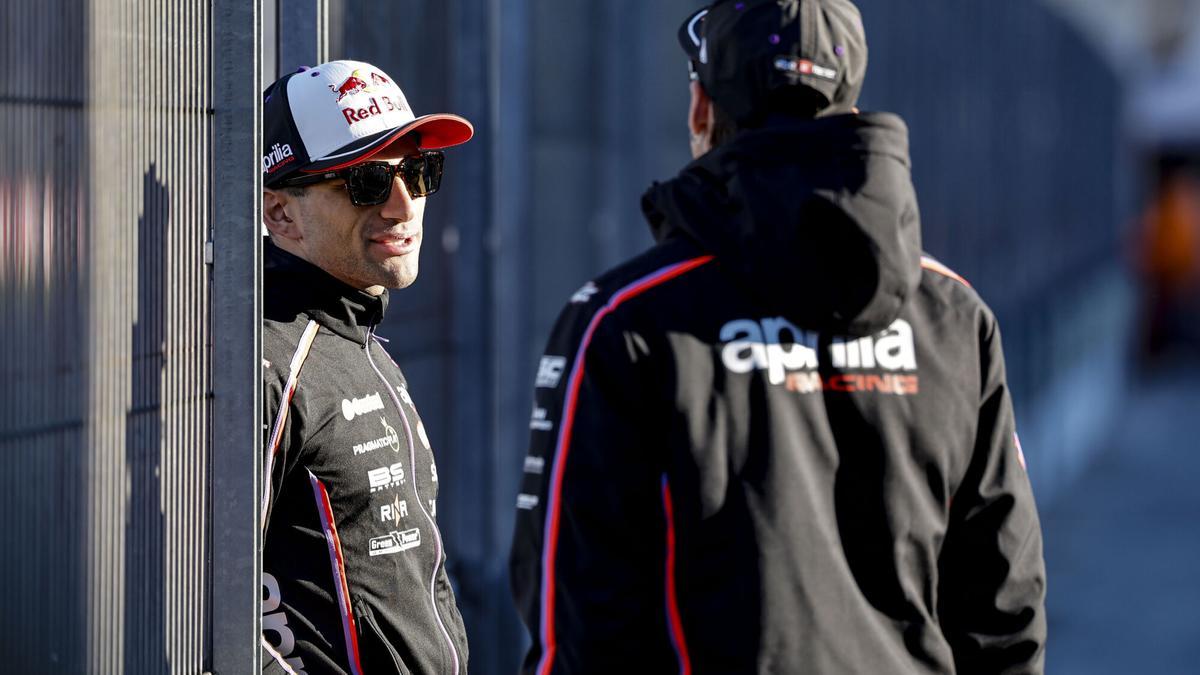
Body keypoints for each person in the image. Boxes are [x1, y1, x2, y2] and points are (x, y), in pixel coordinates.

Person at [509, 1, 1046, 672]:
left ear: (701, 110)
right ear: (850, 114)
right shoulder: (955, 318)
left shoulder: (625, 321)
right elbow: (1004, 609)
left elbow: (580, 630)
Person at [259, 59, 472, 675]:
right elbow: (210, 600)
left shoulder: (358, 341)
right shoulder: (271, 361)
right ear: (281, 215)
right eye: (367, 183)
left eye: (420, 172)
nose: (404, 206)